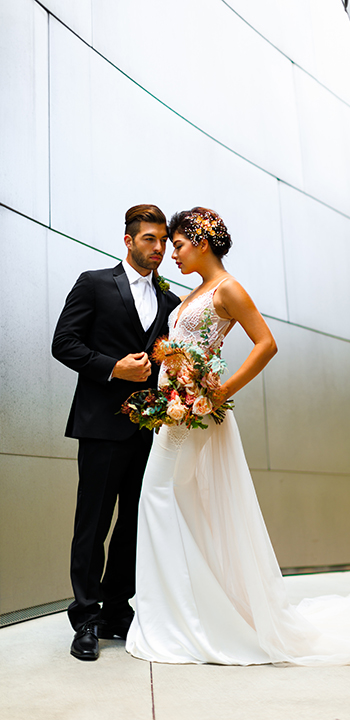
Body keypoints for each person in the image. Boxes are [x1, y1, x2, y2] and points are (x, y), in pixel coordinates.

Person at [126, 207, 350, 669]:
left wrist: (220, 391)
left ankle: (185, 621)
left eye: (177, 245)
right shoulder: (193, 292)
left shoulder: (228, 289)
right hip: (177, 414)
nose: (171, 254)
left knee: (161, 498)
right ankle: (180, 615)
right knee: (175, 505)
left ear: (203, 242)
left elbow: (266, 343)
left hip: (196, 413)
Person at [52, 204, 181, 661]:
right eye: (150, 239)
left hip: (148, 430)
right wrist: (114, 369)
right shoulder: (93, 284)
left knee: (132, 525)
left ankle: (114, 610)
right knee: (93, 523)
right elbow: (63, 343)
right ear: (128, 241)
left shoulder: (170, 302)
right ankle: (84, 618)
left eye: (164, 240)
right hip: (101, 427)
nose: (159, 248)